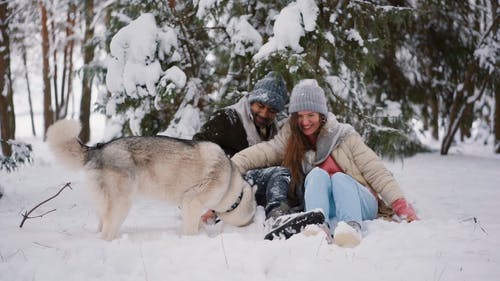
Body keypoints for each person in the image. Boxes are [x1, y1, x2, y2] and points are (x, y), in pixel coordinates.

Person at [231, 79, 418, 247]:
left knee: (338, 178)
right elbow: (263, 152)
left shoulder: (344, 136)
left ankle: (351, 227)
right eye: (300, 116)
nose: (305, 122)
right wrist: (229, 169)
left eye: (310, 115)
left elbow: (376, 171)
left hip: (359, 201)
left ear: (321, 115)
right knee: (316, 174)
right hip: (327, 204)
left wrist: (401, 206)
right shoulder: (291, 138)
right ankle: (317, 225)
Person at [193, 72, 324, 239]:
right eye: (260, 106)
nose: (263, 114)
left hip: (252, 187)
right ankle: (276, 218)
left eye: (271, 110)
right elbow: (197, 150)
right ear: (251, 101)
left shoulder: (274, 130)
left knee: (289, 178)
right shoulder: (228, 118)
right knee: (279, 173)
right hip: (224, 182)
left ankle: (296, 218)